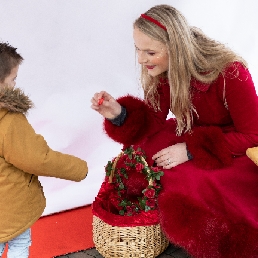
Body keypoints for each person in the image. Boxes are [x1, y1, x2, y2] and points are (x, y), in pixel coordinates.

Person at [91, 4, 258, 258]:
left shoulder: (231, 73)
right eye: (138, 49)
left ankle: (218, 240)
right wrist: (118, 114)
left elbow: (253, 136)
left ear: (176, 49)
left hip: (231, 148)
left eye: (150, 52)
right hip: (195, 135)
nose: (141, 59)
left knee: (191, 177)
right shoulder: (167, 72)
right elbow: (153, 121)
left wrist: (191, 150)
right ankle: (152, 216)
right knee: (144, 149)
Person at [0, 42, 88, 258]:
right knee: (19, 243)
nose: (15, 85)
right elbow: (38, 158)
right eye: (13, 79)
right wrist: (79, 168)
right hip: (10, 207)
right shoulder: (8, 121)